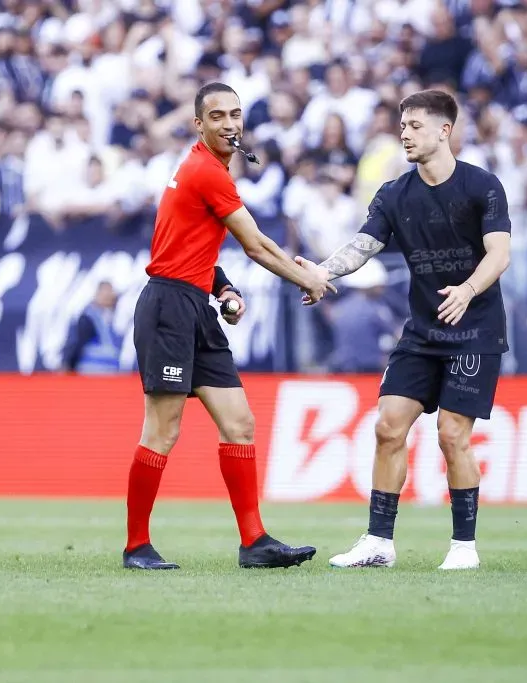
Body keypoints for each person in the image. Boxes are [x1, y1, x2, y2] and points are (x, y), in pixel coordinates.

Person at [297, 89, 512, 570]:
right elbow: (362, 246)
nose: (405, 134)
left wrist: (468, 290)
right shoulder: (394, 194)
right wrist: (321, 273)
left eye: (415, 125)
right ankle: (378, 542)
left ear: (444, 130)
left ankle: (463, 549)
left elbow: (500, 253)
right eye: (402, 126)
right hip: (423, 330)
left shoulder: (483, 186)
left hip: (474, 327)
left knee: (452, 434)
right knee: (388, 426)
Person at [123, 82, 335, 570]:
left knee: (239, 423)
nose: (229, 123)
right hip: (170, 310)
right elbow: (256, 245)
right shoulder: (205, 171)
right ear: (199, 125)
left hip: (194, 303)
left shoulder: (204, 170)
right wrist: (308, 277)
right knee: (162, 430)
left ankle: (254, 541)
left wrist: (223, 291)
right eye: (217, 116)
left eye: (235, 114)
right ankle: (136, 546)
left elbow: (190, 250)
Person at [62, 281, 123, 374]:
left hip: (108, 374)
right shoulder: (87, 318)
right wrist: (68, 366)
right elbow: (76, 344)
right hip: (90, 373)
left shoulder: (110, 318)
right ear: (97, 295)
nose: (109, 297)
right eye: (105, 294)